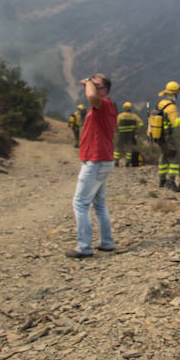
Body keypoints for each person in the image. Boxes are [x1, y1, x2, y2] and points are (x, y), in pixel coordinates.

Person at [66, 74, 117, 258]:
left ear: (104, 90)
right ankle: (106, 242)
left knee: (80, 203)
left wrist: (88, 82)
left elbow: (91, 97)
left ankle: (84, 247)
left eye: (96, 85)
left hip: (96, 160)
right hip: (101, 159)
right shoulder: (104, 107)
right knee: (99, 203)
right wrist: (90, 83)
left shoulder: (103, 105)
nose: (92, 87)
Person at [152, 81, 180, 191]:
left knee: (164, 156)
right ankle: (171, 181)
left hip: (159, 136)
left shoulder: (161, 103)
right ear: (175, 93)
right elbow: (175, 123)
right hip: (167, 137)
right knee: (175, 157)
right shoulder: (171, 107)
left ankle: (162, 180)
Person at [114, 102, 143, 167]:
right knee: (129, 149)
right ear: (130, 108)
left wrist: (118, 129)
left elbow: (115, 124)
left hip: (121, 135)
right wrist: (136, 128)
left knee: (118, 148)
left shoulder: (120, 116)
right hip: (130, 135)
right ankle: (128, 162)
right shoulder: (134, 116)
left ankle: (116, 162)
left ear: (124, 108)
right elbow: (141, 123)